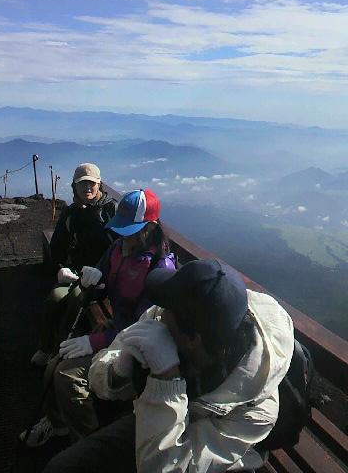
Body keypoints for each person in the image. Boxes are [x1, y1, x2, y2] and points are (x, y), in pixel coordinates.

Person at [43, 258, 295, 473]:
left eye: (167, 312)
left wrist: (166, 378)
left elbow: (167, 467)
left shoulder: (256, 410)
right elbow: (100, 378)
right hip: (157, 418)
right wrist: (119, 370)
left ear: (193, 339)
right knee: (61, 467)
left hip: (212, 454)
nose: (159, 314)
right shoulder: (166, 317)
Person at [21, 188, 176, 448]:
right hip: (115, 330)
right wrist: (90, 278)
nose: (122, 237)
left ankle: (90, 444)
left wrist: (96, 342)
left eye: (130, 232)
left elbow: (143, 328)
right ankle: (58, 425)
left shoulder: (160, 270)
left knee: (67, 376)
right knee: (54, 365)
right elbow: (102, 278)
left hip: (136, 348)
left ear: (148, 228)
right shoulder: (118, 248)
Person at [31, 163, 117, 367]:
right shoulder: (70, 214)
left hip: (103, 275)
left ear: (99, 185)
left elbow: (119, 246)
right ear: (74, 187)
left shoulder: (110, 210)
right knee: (55, 298)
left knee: (78, 299)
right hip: (76, 272)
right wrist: (61, 268)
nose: (87, 188)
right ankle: (45, 347)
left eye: (91, 184)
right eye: (82, 184)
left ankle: (58, 352)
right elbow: (58, 247)